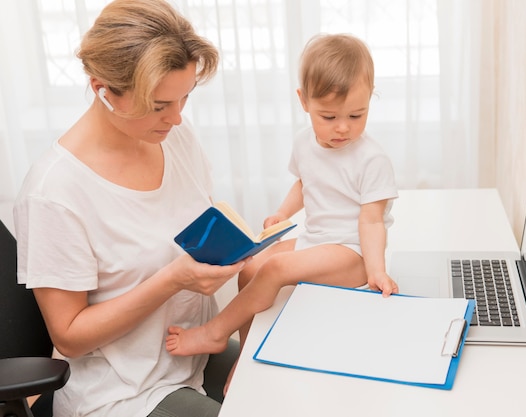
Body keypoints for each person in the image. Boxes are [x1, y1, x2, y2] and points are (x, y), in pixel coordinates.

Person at [13, 1, 245, 416]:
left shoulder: (172, 135)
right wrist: (171, 280)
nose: (176, 118)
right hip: (121, 392)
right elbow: (69, 336)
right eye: (159, 105)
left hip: (191, 351)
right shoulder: (55, 192)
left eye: (184, 98)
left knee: (295, 385)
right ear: (103, 90)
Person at [166, 34, 399, 364]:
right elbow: (305, 184)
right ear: (304, 101)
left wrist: (376, 270)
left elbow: (373, 220)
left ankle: (215, 332)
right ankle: (244, 361)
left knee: (275, 268)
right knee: (250, 268)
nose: (343, 128)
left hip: (353, 252)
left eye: (356, 115)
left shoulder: (371, 158)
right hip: (315, 241)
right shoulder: (305, 143)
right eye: (329, 117)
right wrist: (281, 213)